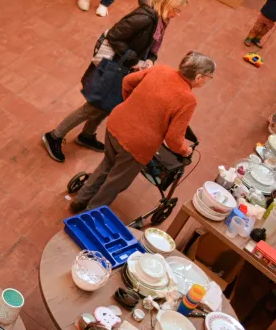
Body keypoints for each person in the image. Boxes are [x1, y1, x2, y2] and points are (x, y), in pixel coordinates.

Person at [42, 0, 190, 162]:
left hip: (123, 67)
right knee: (93, 106)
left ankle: (87, 135)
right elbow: (114, 36)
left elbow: (152, 45)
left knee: (109, 103)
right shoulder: (144, 18)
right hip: (115, 66)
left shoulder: (161, 19)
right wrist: (135, 61)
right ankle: (54, 136)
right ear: (167, 4)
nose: (177, 15)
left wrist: (150, 58)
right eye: (177, 10)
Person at [69, 52, 214, 212]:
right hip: (136, 145)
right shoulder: (188, 99)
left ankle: (80, 199)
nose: (209, 80)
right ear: (199, 77)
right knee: (116, 181)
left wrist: (131, 102)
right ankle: (90, 212)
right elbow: (173, 138)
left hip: (117, 123)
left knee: (107, 164)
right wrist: (185, 150)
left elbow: (127, 81)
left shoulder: (161, 69)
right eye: (209, 77)